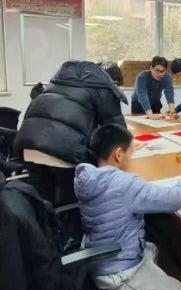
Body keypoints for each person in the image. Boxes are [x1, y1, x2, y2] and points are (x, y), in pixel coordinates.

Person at [74, 124, 181, 290]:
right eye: (131, 153)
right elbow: (175, 199)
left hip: (97, 254)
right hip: (117, 268)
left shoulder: (86, 176)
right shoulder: (124, 184)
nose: (132, 158)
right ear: (118, 154)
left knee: (153, 248)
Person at [14, 60, 127, 206]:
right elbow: (116, 130)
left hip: (29, 147)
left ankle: (46, 218)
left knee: (43, 200)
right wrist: (127, 145)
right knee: (71, 200)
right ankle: (68, 218)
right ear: (112, 81)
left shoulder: (58, 82)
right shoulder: (103, 88)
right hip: (60, 150)